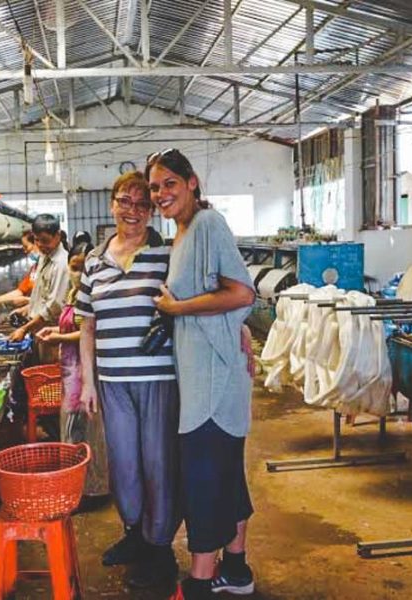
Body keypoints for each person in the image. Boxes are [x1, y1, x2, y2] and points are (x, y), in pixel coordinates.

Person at [146, 149, 256, 600]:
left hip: (213, 380)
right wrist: (237, 328)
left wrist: (177, 309)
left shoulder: (208, 224)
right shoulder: (182, 233)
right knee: (226, 476)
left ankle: (199, 584)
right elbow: (226, 300)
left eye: (169, 183)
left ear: (192, 183)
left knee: (204, 482)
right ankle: (236, 570)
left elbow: (242, 291)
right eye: (155, 187)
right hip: (206, 374)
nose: (160, 194)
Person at [76, 171, 180, 589]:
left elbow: (193, 303)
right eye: (125, 201)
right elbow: (87, 326)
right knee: (123, 466)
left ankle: (160, 548)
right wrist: (88, 382)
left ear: (152, 210)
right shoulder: (93, 262)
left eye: (142, 204)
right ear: (112, 203)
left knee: (158, 463)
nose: (132, 211)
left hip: (158, 378)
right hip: (112, 380)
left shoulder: (168, 254)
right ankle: (135, 535)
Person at [36, 241, 109, 500]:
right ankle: (75, 485)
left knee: (84, 432)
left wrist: (59, 339)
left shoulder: (92, 297)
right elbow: (70, 327)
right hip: (70, 371)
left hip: (83, 371)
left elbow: (89, 333)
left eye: (81, 268)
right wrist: (53, 331)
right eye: (73, 267)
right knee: (72, 430)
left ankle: (91, 489)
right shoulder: (72, 294)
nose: (76, 273)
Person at [7, 214, 69, 344]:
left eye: (45, 240)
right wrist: (28, 308)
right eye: (36, 240)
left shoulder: (61, 264)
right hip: (40, 330)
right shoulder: (44, 257)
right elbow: (41, 295)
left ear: (57, 236)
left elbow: (53, 307)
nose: (40, 245)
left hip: (52, 334)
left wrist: (24, 329)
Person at [0, 230, 38, 313]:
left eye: (26, 247)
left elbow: (55, 301)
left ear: (37, 244)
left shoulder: (54, 266)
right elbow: (20, 291)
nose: (25, 251)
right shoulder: (35, 268)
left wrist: (28, 301)